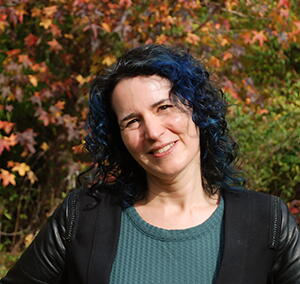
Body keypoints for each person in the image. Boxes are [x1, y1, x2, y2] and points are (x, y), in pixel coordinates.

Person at [1, 44, 299, 284]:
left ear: (198, 110)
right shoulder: (83, 216)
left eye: (164, 107)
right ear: (118, 139)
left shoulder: (268, 221)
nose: (153, 132)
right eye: (132, 121)